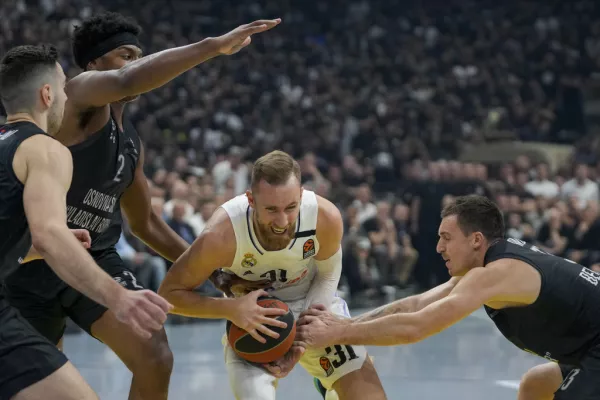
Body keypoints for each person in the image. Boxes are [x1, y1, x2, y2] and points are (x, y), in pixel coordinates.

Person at [3, 12, 281, 400]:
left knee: (155, 355)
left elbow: (146, 223)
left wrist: (216, 273)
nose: (135, 63)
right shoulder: (79, 96)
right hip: (33, 265)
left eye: (138, 55)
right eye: (124, 54)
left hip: (94, 259)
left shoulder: (131, 143)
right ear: (94, 64)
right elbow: (126, 80)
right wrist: (213, 46)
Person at [297, 194, 600, 400]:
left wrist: (338, 332)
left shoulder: (497, 272)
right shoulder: (487, 267)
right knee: (536, 385)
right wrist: (340, 328)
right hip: (587, 349)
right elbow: (414, 304)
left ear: (476, 240)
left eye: (446, 238)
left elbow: (416, 327)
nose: (439, 248)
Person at [0, 44, 170, 400]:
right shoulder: (46, 149)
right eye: (63, 87)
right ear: (47, 95)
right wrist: (119, 298)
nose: (68, 94)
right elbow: (49, 234)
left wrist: (25, 247)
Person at [158, 150, 386, 400]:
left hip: (312, 300)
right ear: (251, 200)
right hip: (252, 319)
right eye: (271, 209)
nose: (282, 220)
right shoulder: (220, 235)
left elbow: (328, 276)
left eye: (291, 207)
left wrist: (303, 336)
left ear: (301, 195)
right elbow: (170, 295)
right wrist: (230, 309)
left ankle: (329, 385)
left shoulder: (325, 217)